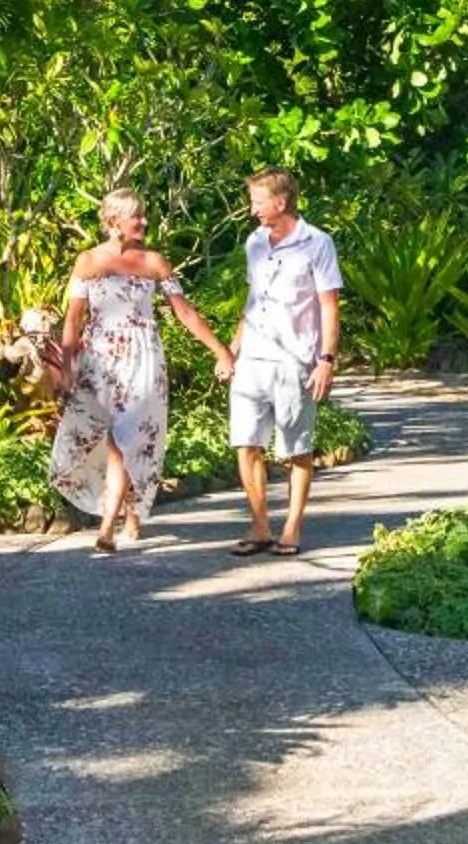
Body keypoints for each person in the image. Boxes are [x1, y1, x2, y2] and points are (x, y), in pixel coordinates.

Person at [50, 189, 235, 554]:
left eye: (144, 214)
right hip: (101, 360)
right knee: (98, 436)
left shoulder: (155, 263)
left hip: (144, 358)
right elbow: (73, 320)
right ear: (115, 221)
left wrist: (221, 352)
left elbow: (185, 312)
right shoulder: (88, 262)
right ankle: (130, 511)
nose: (145, 222)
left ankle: (107, 525)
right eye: (138, 216)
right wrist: (68, 368)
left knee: (124, 439)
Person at [226, 168, 342, 557]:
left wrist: (326, 358)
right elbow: (252, 297)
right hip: (252, 361)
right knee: (246, 442)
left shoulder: (318, 243)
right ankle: (259, 525)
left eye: (258, 201)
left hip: (295, 360)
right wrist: (233, 347)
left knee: (297, 448)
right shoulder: (255, 242)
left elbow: (328, 305)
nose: (252, 209)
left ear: (281, 202)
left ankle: (291, 527)